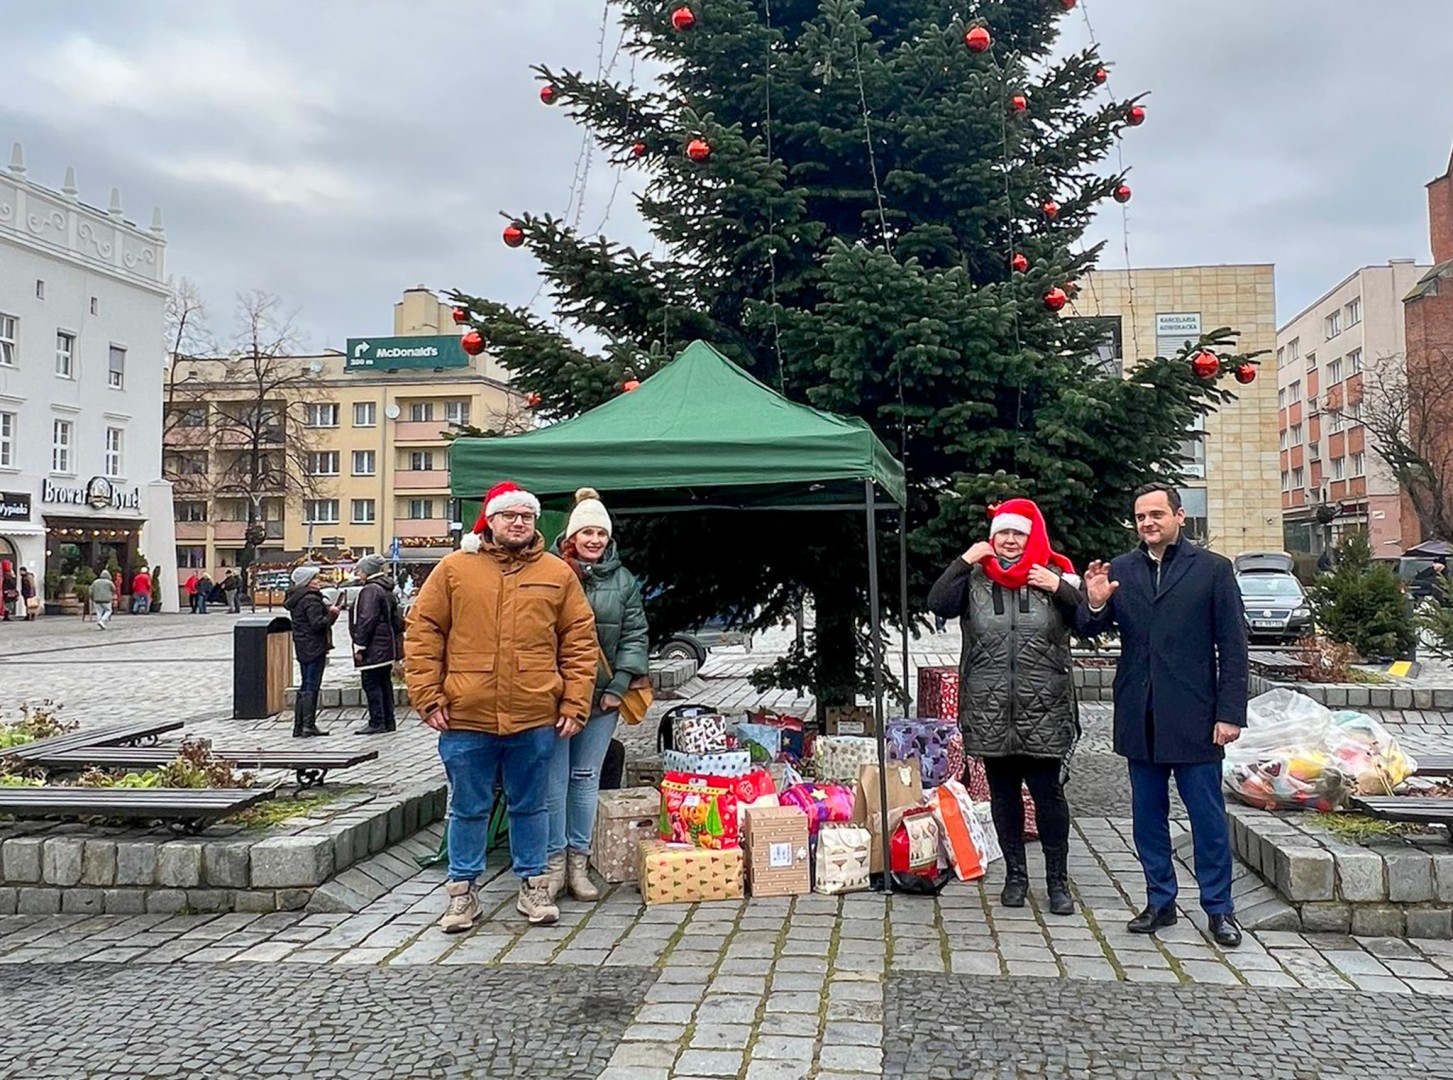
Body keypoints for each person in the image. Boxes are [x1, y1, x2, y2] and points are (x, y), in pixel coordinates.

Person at [405, 480, 597, 932]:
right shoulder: (455, 569)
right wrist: (427, 696)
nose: (518, 523)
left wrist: (574, 701)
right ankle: (461, 893)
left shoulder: (556, 573)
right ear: (490, 520)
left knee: (531, 806)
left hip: (534, 714)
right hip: (465, 715)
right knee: (466, 807)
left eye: (526, 516)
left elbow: (579, 642)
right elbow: (423, 632)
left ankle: (534, 886)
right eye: (509, 515)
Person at [1080, 481, 1249, 948]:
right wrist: (1094, 601)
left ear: (1178, 516)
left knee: (1207, 819)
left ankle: (1219, 909)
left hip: (1196, 717)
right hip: (1141, 714)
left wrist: (1230, 712)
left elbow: (1234, 648)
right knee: (1146, 817)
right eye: (1140, 517)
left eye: (1156, 514)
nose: (1148, 523)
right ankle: (1160, 900)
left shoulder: (1212, 570)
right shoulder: (1122, 570)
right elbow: (1088, 626)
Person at [927, 498, 1084, 915]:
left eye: (1018, 534)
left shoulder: (1054, 575)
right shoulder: (976, 578)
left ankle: (1057, 881)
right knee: (1003, 795)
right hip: (990, 706)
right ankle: (1016, 875)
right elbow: (938, 603)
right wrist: (965, 560)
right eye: (1003, 533)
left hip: (1044, 706)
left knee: (1049, 795)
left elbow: (1087, 621)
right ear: (993, 537)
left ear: (1031, 538)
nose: (1011, 541)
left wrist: (1063, 589)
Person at [545, 488, 649, 902]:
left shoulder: (623, 581)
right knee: (554, 782)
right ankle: (553, 865)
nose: (594, 540)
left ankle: (578, 862)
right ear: (572, 534)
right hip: (555, 698)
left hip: (603, 697)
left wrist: (620, 685)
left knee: (585, 778)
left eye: (600, 534)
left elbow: (635, 635)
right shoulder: (551, 571)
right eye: (586, 531)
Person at [350, 554, 404, 736]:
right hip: (386, 645)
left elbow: (366, 619)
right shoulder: (386, 589)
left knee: (371, 683)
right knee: (383, 682)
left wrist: (360, 644)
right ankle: (389, 720)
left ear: (367, 571)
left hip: (374, 646)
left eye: (359, 569)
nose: (357, 572)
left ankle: (377, 721)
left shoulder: (370, 590)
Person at [283, 566, 339, 738]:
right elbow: (318, 623)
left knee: (305, 683)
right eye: (314, 579)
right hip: (314, 646)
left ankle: (299, 725)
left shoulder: (297, 598)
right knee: (312, 684)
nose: (318, 581)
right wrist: (332, 615)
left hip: (303, 645)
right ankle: (308, 725)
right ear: (306, 582)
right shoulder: (311, 599)